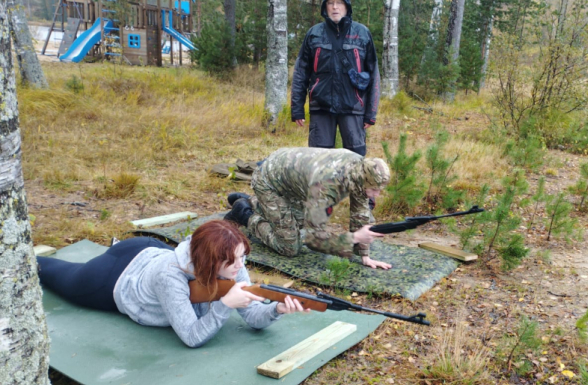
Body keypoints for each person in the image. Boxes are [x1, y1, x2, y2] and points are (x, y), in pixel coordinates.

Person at [37, 220, 308, 348]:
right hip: (114, 278)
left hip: (150, 249)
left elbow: (253, 317)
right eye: (234, 261)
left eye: (242, 257)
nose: (241, 267)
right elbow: (191, 337)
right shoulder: (170, 276)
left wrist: (277, 310)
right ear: (210, 262)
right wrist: (225, 304)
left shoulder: (232, 263)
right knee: (55, 273)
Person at [224, 147, 392, 270]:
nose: (376, 195)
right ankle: (244, 213)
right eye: (374, 190)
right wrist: (354, 237)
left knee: (296, 221)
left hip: (294, 183)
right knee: (289, 246)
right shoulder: (328, 185)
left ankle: (255, 202)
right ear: (364, 180)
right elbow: (314, 239)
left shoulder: (360, 171)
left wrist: (365, 255)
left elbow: (360, 214)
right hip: (268, 180)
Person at [291, 0, 380, 157]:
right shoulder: (314, 34)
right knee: (319, 160)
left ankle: (351, 186)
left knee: (355, 160)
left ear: (346, 6)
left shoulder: (362, 34)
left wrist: (371, 113)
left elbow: (374, 74)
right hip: (321, 107)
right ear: (325, 8)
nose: (334, 7)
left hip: (353, 107)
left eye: (339, 3)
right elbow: (301, 73)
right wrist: (297, 109)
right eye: (330, 3)